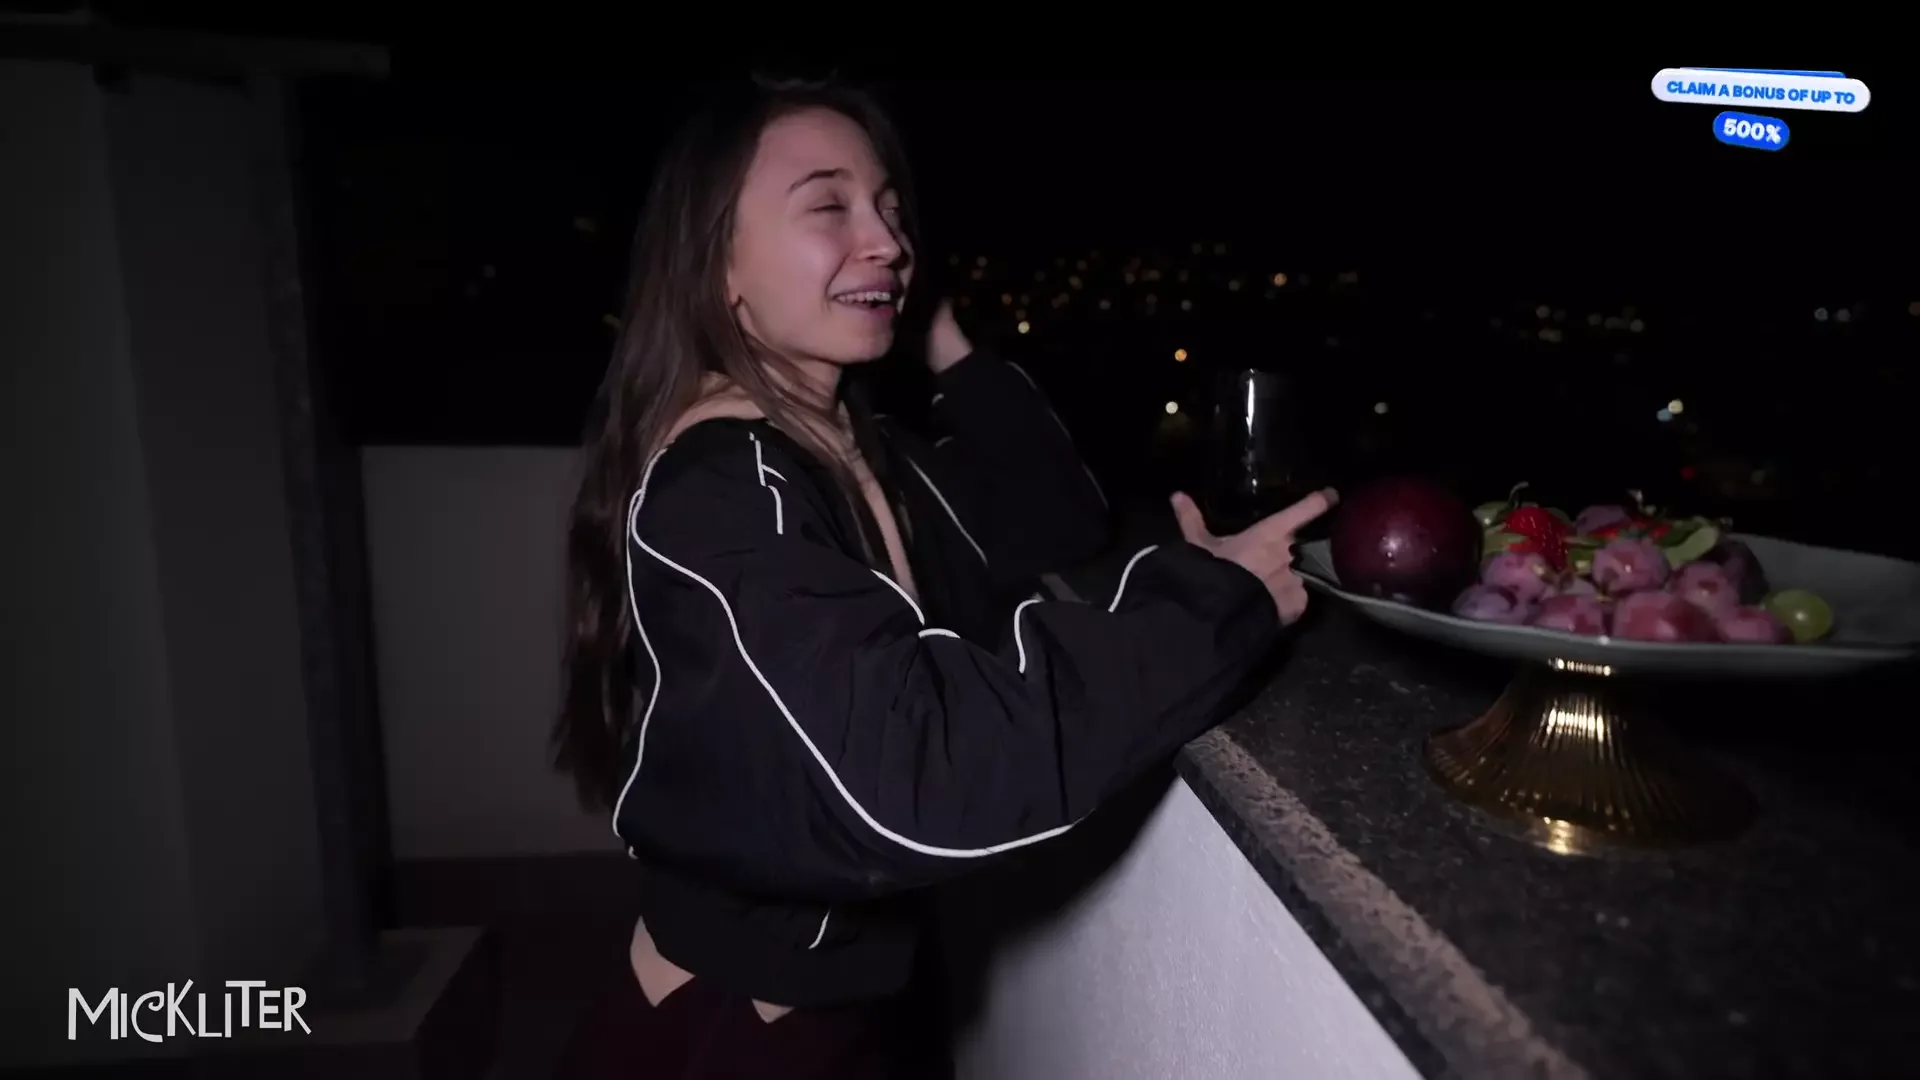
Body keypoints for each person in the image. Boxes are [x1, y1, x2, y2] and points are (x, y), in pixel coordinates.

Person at [550, 76, 1335, 1079]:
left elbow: (1058, 522)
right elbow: (924, 773)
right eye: (829, 206)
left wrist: (940, 335)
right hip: (736, 1027)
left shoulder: (842, 445)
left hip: (832, 1007)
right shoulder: (731, 486)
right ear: (718, 266)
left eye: (890, 209)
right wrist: (1221, 605)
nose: (886, 239)